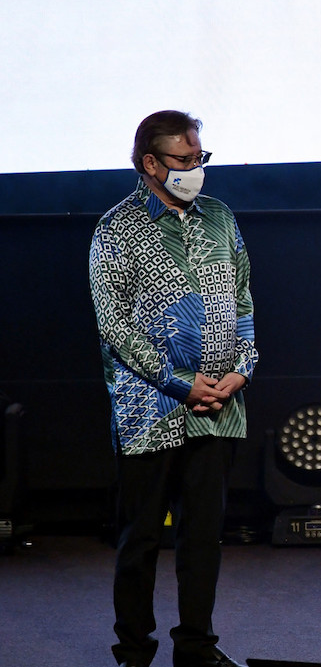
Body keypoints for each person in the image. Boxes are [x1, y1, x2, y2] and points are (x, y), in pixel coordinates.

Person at [89, 110, 257, 667]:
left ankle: (196, 646)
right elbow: (115, 327)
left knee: (203, 536)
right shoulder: (117, 228)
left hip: (219, 409)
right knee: (140, 539)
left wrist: (243, 367)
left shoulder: (220, 217)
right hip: (151, 409)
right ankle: (134, 651)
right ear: (150, 163)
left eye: (200, 159)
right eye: (184, 161)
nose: (195, 170)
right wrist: (182, 384)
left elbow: (245, 299)